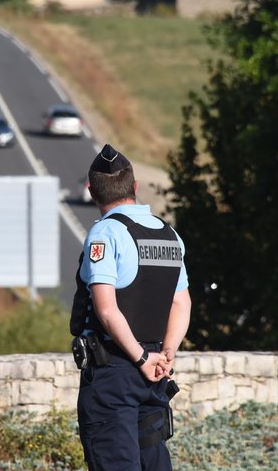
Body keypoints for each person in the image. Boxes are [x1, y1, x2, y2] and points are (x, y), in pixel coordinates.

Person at [70, 144, 192, 470]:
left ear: (92, 191)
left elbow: (107, 310)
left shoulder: (105, 233)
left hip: (115, 372)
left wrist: (140, 358)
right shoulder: (169, 235)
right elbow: (182, 302)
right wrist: (166, 354)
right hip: (154, 376)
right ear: (135, 188)